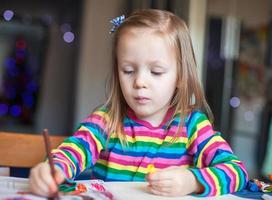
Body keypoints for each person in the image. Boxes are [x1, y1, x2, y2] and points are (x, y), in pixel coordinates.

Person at [29, 9, 248, 197]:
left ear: (180, 76)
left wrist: (192, 181)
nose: (140, 82)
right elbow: (73, 151)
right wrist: (54, 169)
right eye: (129, 70)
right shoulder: (105, 121)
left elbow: (237, 172)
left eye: (156, 71)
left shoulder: (193, 127)